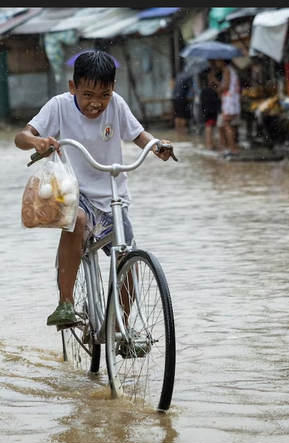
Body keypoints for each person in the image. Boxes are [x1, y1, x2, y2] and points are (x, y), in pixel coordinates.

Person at [14, 50, 175, 328]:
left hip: (113, 195)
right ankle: (66, 303)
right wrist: (36, 142)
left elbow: (137, 134)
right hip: (74, 191)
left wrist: (156, 146)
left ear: (113, 90)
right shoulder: (59, 106)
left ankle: (121, 328)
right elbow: (21, 136)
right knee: (76, 222)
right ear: (72, 87)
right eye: (88, 95)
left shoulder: (117, 105)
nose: (96, 104)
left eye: (104, 95)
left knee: (127, 256)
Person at [209, 59, 241, 154]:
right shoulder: (231, 69)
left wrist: (215, 82)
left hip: (229, 101)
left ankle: (232, 148)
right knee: (231, 125)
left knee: (227, 124)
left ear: (223, 61)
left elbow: (225, 87)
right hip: (232, 100)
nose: (217, 63)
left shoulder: (227, 70)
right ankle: (231, 146)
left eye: (218, 61)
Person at [199, 66, 221, 151]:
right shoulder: (211, 90)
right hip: (210, 108)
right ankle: (210, 145)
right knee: (210, 126)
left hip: (208, 108)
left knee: (209, 126)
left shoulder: (205, 90)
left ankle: (210, 144)